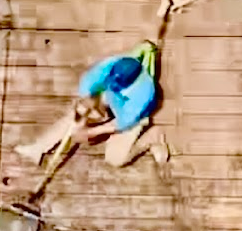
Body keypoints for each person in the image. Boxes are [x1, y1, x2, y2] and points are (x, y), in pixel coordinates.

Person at [15, 49, 168, 169]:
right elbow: (88, 85)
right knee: (74, 118)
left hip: (130, 117)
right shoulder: (110, 65)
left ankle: (152, 138)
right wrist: (82, 110)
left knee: (115, 159)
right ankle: (38, 148)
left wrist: (89, 132)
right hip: (109, 101)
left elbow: (119, 124)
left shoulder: (143, 92)